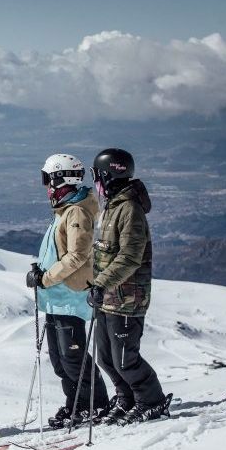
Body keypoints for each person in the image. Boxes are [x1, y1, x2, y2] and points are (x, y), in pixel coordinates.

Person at [88, 148, 172, 425]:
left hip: (127, 297)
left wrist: (101, 282)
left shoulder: (130, 210)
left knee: (125, 358)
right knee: (106, 358)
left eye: (97, 177)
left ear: (109, 175)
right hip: (109, 297)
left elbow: (130, 256)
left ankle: (152, 400)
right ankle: (126, 398)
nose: (96, 184)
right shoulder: (112, 207)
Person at [26, 154, 110, 429]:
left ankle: (94, 405)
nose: (46, 187)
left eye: (48, 179)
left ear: (61, 179)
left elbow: (77, 256)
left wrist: (45, 278)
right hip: (55, 298)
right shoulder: (66, 209)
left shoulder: (77, 212)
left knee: (73, 357)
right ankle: (75, 402)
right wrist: (41, 274)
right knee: (60, 361)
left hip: (68, 296)